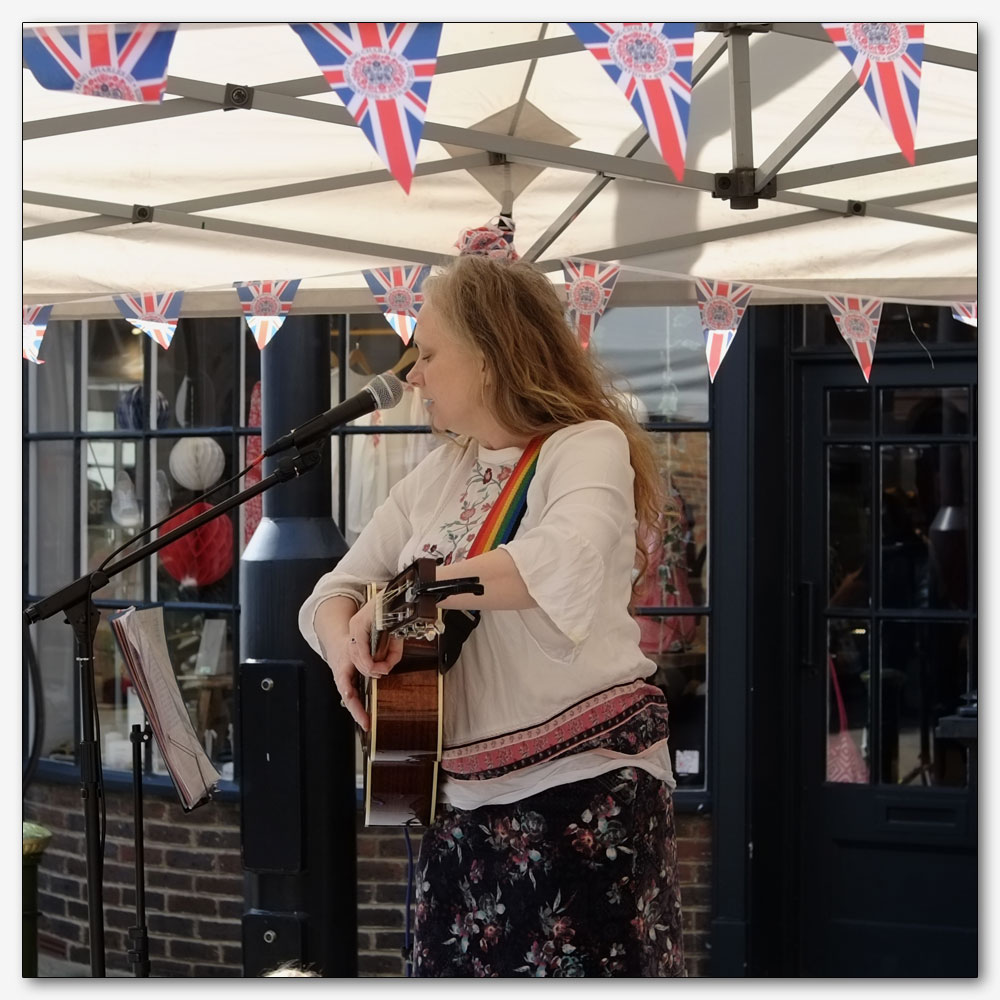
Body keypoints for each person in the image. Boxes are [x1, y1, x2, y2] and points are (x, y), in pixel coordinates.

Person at [298, 253, 685, 978]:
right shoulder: (439, 475)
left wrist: (409, 595)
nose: (411, 375)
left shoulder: (584, 447)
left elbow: (563, 556)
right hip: (453, 807)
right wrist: (344, 640)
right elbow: (331, 591)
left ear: (490, 355)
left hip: (580, 802)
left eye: (430, 353)